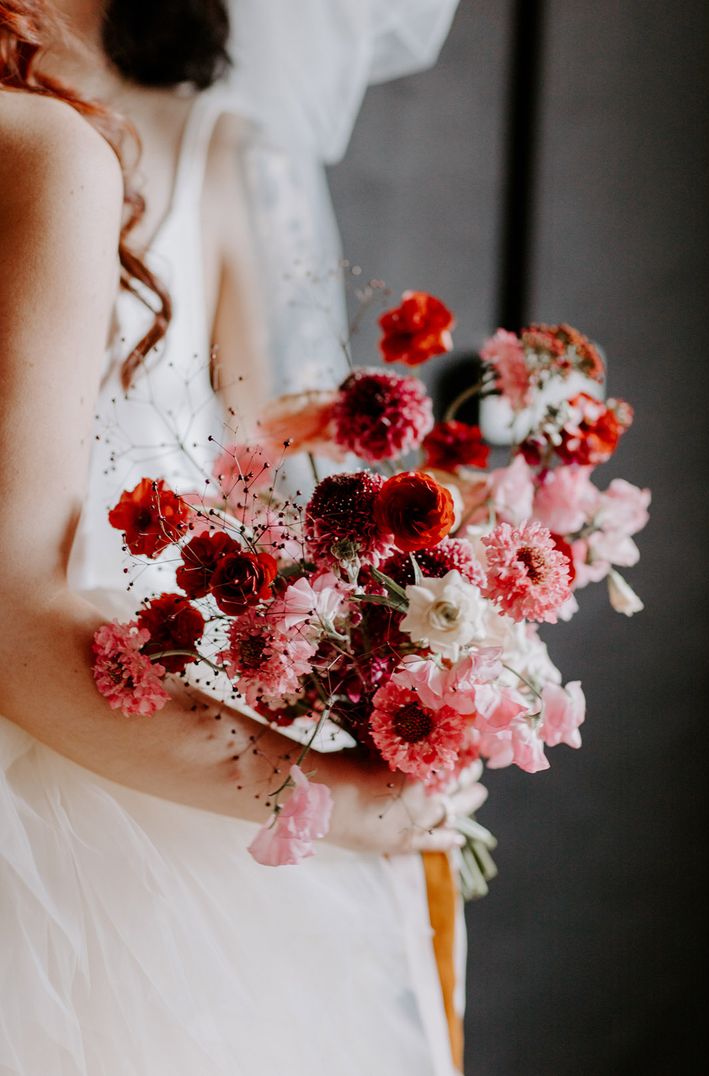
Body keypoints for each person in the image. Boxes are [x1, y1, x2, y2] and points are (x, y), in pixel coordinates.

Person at [0, 2, 476, 1073]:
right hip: (71, 795)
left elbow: (254, 431)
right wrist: (340, 801)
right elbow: (9, 619)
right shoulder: (49, 154)